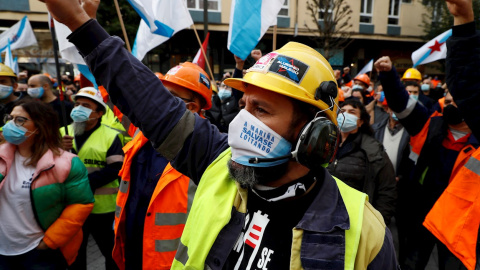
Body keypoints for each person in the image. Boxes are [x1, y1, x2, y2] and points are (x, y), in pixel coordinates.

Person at [44, 0, 399, 268]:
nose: (241, 123)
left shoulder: (365, 232)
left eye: (261, 110)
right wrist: (80, 23)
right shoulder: (217, 162)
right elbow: (148, 102)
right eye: (244, 105)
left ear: (313, 134)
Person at [375, 52, 479, 269]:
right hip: (419, 214)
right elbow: (402, 103)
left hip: (457, 224)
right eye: (447, 101)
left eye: (455, 102)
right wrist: (388, 74)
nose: (449, 105)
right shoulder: (429, 125)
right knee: (410, 264)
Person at [113, 62, 212, 270]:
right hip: (130, 252)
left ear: (191, 107)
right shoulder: (141, 134)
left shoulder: (206, 155)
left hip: (170, 264)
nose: (157, 101)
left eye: (167, 95)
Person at [0, 99, 94, 269]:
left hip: (39, 253)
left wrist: (50, 241)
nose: (10, 124)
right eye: (9, 118)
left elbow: (80, 204)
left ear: (40, 126)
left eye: (20, 120)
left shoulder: (66, 163)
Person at [422, 0, 480, 269]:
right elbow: (467, 85)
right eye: (449, 99)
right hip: (435, 216)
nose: (453, 104)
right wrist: (464, 19)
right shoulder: (434, 125)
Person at [61, 87, 124, 270]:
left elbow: (115, 169)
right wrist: (58, 150)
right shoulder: (61, 133)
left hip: (103, 209)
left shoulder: (111, 136)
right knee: (75, 256)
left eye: (86, 106)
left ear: (99, 113)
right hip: (71, 207)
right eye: (77, 104)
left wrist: (82, 184)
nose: (79, 108)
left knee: (110, 254)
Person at [327, 98, 397, 225]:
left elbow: (386, 191)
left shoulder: (373, 150)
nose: (345, 114)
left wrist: (379, 224)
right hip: (324, 212)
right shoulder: (326, 143)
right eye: (342, 111)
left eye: (352, 112)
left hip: (355, 219)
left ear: (361, 122)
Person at [374, 105, 415, 264]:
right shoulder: (376, 128)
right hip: (379, 187)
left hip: (402, 188)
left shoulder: (413, 132)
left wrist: (402, 176)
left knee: (403, 231)